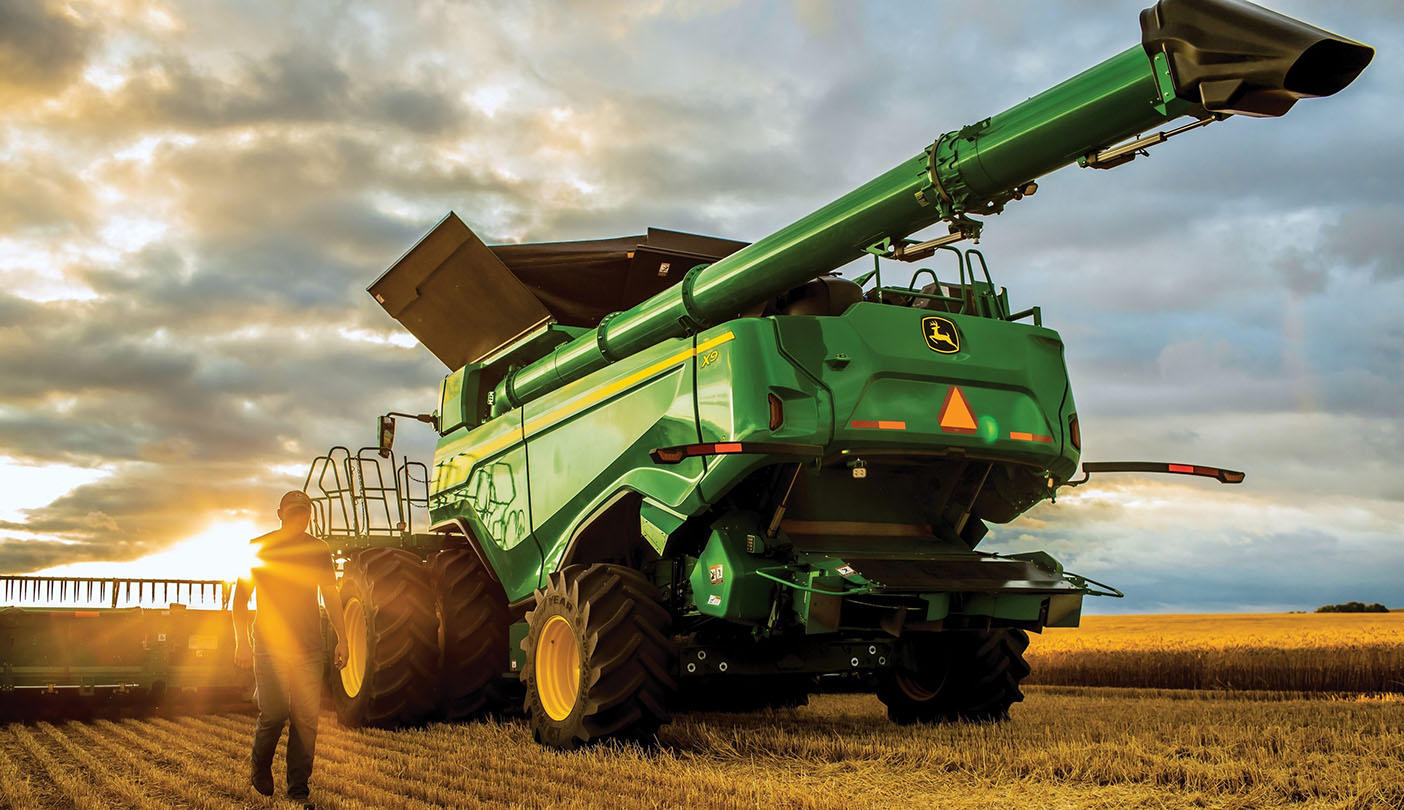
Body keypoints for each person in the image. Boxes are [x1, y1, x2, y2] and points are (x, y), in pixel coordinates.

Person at [233, 490, 349, 806]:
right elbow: (240, 600)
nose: (300, 518)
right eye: (294, 512)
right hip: (269, 647)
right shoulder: (260, 547)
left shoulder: (318, 549)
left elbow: (330, 595)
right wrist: (241, 641)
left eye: (305, 513)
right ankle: (260, 764)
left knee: (306, 720)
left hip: (309, 649)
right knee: (274, 713)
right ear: (280, 513)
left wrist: (343, 637)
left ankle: (298, 789)